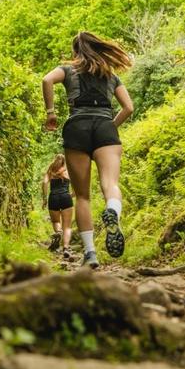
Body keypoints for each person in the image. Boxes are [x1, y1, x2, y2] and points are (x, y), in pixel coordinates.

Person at [42, 31, 134, 268]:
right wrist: (109, 127)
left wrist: (51, 113)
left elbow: (46, 80)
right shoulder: (110, 75)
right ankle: (112, 210)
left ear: (76, 51)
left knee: (82, 196)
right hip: (105, 127)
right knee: (110, 184)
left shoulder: (67, 70)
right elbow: (128, 108)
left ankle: (91, 253)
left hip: (77, 128)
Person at [42, 153, 74, 257]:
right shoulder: (68, 171)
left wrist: (45, 199)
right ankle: (65, 248)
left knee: (56, 221)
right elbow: (75, 189)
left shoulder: (50, 171)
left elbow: (44, 183)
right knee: (67, 226)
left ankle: (59, 232)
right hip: (66, 197)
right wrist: (71, 195)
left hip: (53, 198)